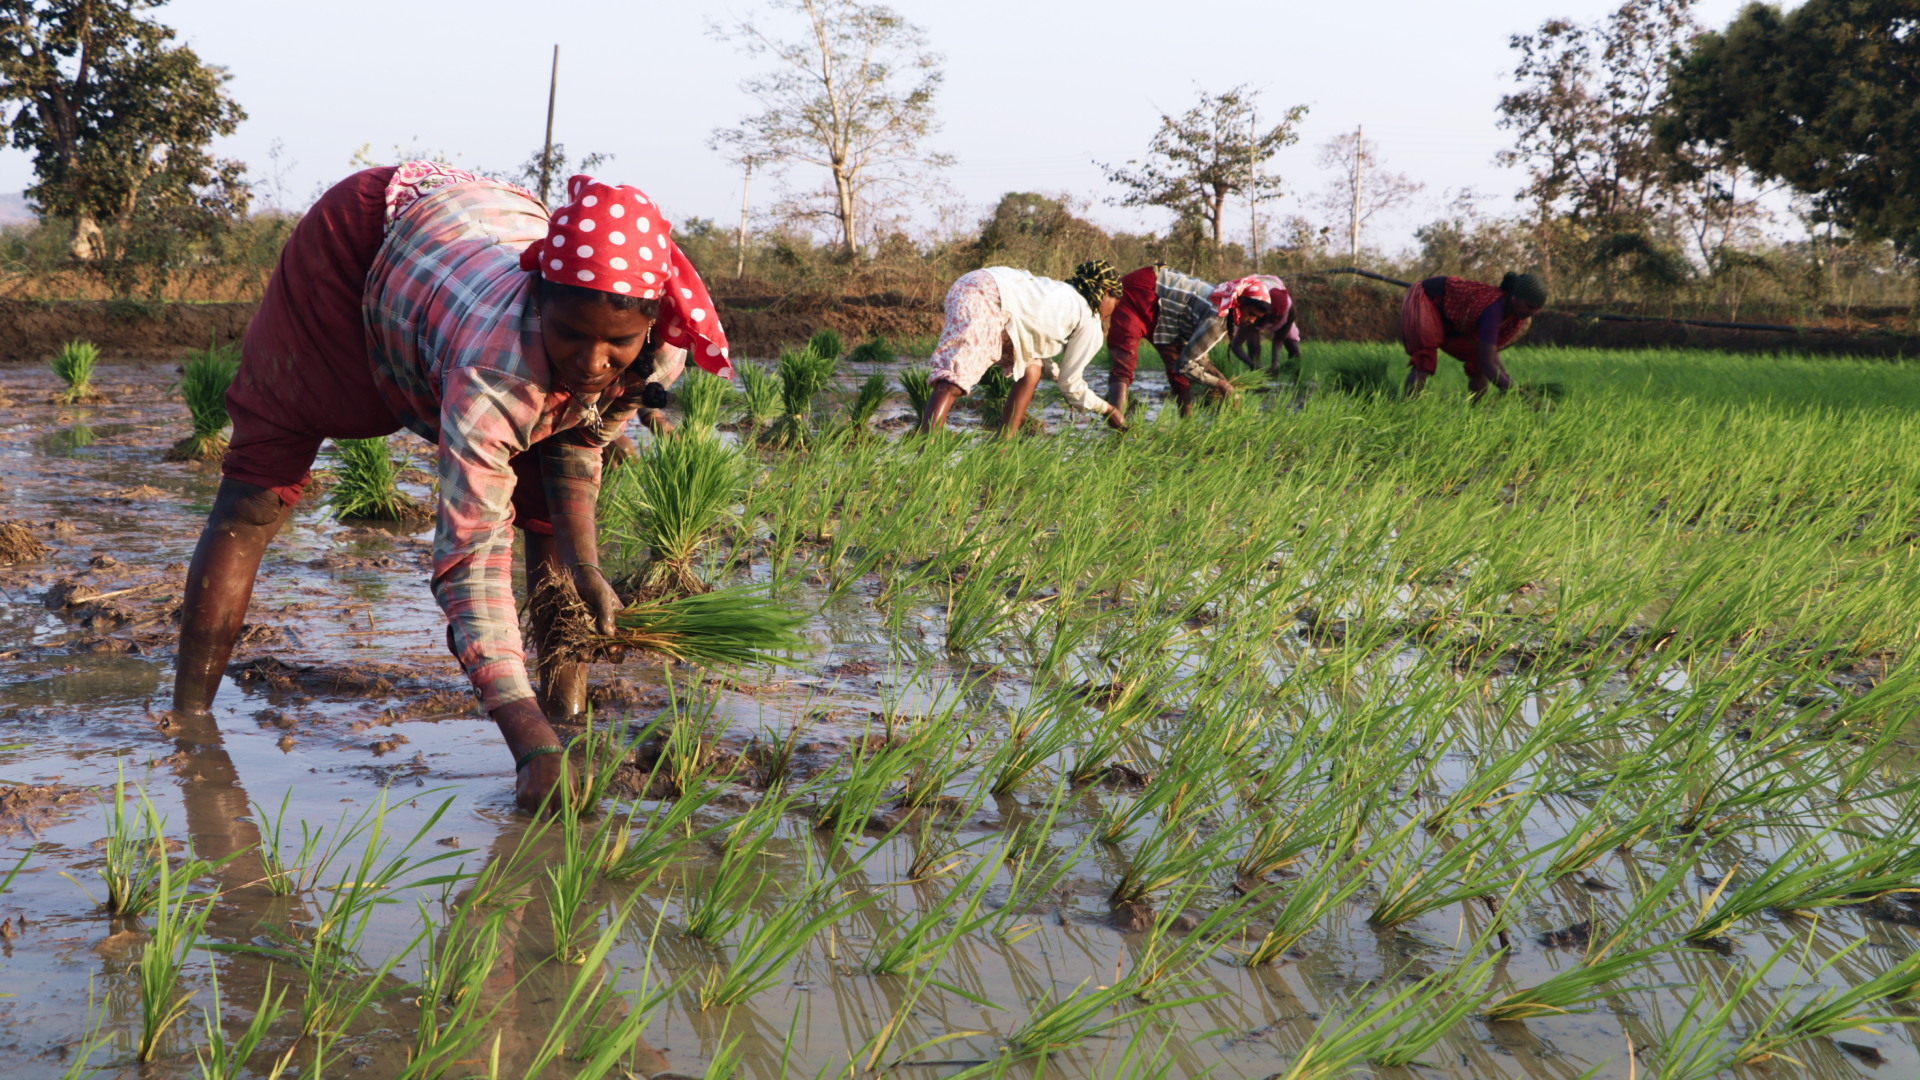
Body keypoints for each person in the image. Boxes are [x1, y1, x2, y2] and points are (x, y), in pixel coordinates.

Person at [172, 162, 731, 812]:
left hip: (469, 229)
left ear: (649, 327)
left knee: (544, 513)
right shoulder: (495, 370)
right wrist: (527, 747)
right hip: (363, 245)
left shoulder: (661, 350)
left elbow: (581, 438)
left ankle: (566, 720)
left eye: (618, 344)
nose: (591, 361)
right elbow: (471, 564)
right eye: (571, 334)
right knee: (258, 490)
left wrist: (587, 565)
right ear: (538, 298)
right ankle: (189, 724)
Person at [919, 260, 1131, 436]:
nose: (1111, 312)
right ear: (1106, 292)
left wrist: (1055, 373)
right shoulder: (1090, 319)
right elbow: (1071, 385)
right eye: (1115, 304)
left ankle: (1002, 448)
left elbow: (1036, 341)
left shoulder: (1062, 292)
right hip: (987, 296)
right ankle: (926, 454)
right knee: (955, 380)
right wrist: (1108, 410)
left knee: (1032, 369)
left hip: (976, 282)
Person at [1106, 266, 1272, 417]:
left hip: (1166, 313)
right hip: (1142, 290)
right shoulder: (1218, 316)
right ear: (1239, 301)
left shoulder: (1225, 304)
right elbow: (1185, 365)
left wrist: (1222, 381)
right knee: (1124, 359)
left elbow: (1195, 354)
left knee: (1177, 370)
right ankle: (1117, 425)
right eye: (1250, 314)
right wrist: (1221, 385)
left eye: (1256, 318)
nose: (1251, 321)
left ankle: (1187, 426)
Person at [1400, 272, 1547, 400]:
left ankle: (1475, 412)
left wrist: (1507, 378)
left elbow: (1490, 353)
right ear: (1514, 296)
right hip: (1428, 299)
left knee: (1478, 361)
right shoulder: (1494, 310)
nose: (1532, 313)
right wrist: (1518, 393)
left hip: (1453, 320)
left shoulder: (1513, 316)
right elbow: (1488, 364)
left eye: (1537, 309)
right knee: (1425, 358)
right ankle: (1409, 408)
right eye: (1529, 306)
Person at [1229, 274, 1303, 373]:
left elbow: (1279, 338)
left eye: (1278, 318)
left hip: (1281, 313)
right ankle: (1257, 376)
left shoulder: (1290, 311)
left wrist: (1275, 361)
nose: (1275, 321)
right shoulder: (1255, 310)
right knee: (1253, 345)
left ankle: (1298, 379)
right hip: (1258, 303)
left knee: (1293, 346)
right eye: (1272, 317)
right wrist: (1254, 365)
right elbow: (1236, 345)